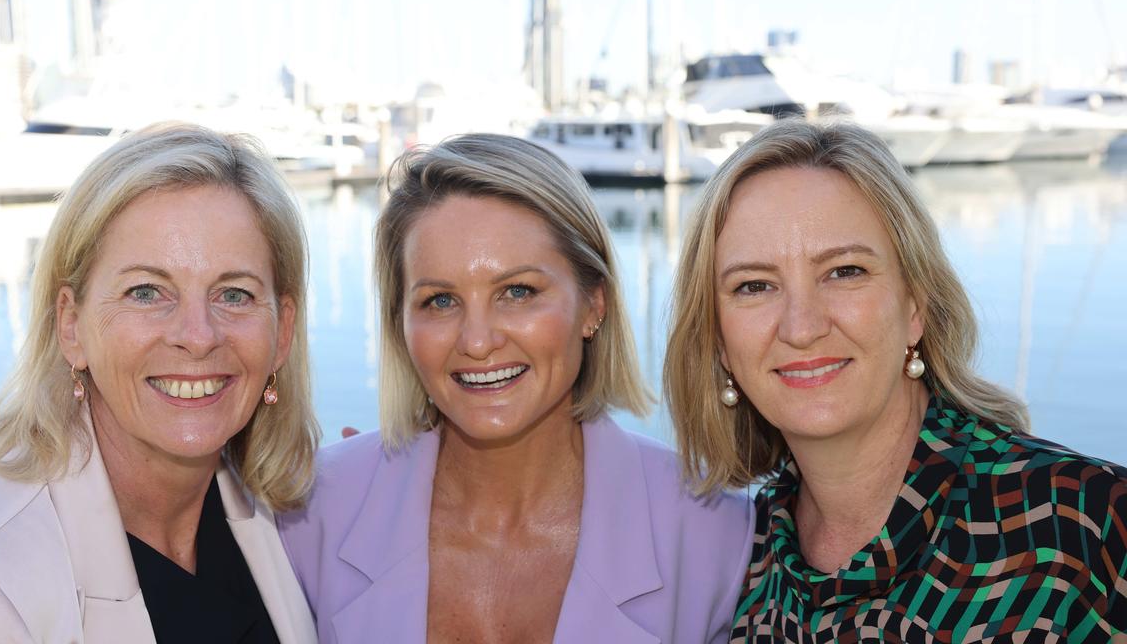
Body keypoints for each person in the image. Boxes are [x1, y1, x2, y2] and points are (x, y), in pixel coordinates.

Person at [0, 123, 320, 643]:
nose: (198, 336)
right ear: (70, 325)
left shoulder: (280, 521)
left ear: (283, 332)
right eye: (146, 291)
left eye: (234, 294)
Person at [663, 118, 1127, 642]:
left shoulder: (1083, 527)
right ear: (720, 342)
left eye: (845, 272)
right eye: (754, 285)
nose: (801, 327)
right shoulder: (737, 561)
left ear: (916, 304)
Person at [278, 134, 754, 643]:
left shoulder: (719, 536)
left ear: (594, 304)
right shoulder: (306, 514)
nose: (478, 341)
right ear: (400, 324)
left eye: (518, 292)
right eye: (439, 301)